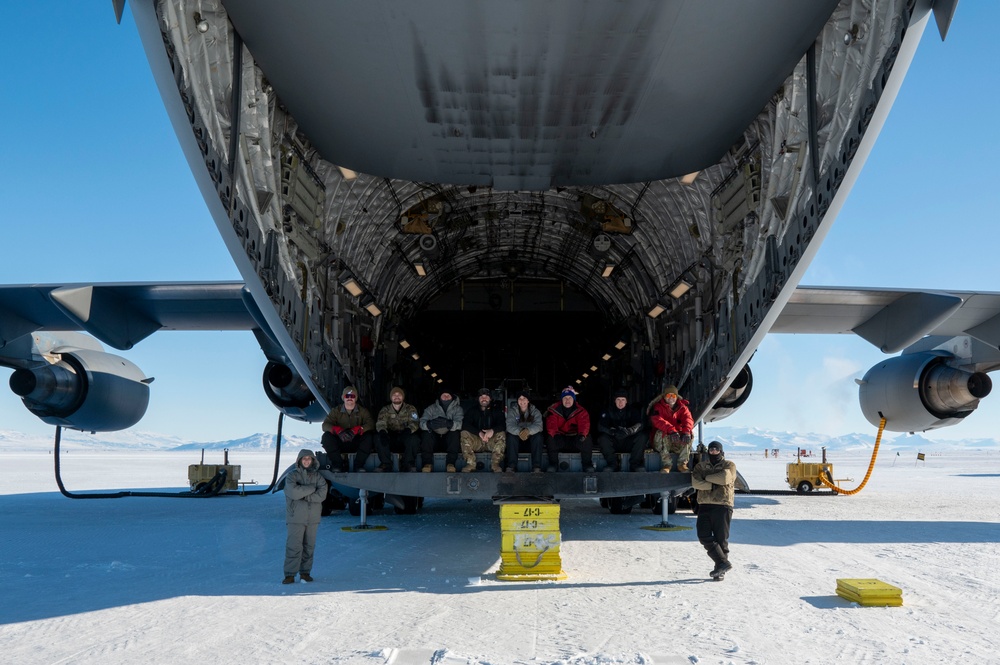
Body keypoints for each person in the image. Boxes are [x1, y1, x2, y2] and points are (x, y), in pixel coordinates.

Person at [691, 440, 737, 580]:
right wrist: (712, 485)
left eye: (716, 449)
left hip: (723, 505)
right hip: (704, 504)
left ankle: (719, 570)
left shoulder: (729, 465)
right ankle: (723, 563)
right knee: (703, 535)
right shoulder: (701, 465)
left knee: (721, 539)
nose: (713, 452)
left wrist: (706, 478)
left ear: (721, 451)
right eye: (711, 450)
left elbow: (725, 478)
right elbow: (695, 482)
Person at [282, 448, 327, 584]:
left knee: (309, 547)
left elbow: (322, 494)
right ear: (299, 460)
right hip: (296, 517)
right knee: (294, 546)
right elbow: (293, 492)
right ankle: (290, 574)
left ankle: (305, 573)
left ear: (313, 460)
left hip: (312, 518)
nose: (306, 461)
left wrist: (304, 494)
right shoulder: (292, 476)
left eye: (309, 458)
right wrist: (312, 489)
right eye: (304, 458)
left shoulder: (318, 477)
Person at [320, 386, 376, 472]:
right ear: (343, 398)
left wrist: (360, 429)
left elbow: (371, 424)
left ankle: (359, 465)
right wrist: (337, 430)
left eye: (352, 396)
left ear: (356, 398)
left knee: (368, 437)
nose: (350, 398)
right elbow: (325, 425)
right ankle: (337, 464)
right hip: (340, 441)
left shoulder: (363, 411)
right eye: (347, 396)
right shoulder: (336, 411)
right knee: (326, 437)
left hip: (356, 441)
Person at [596, 388, 647, 471]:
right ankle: (612, 464)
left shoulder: (633, 411)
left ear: (626, 401)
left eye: (623, 400)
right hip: (614, 441)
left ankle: (635, 465)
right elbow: (601, 426)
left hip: (628, 441)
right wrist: (612, 431)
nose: (620, 402)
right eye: (618, 399)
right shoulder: (608, 411)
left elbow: (639, 425)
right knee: (602, 438)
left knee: (642, 437)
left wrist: (628, 431)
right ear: (615, 401)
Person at [544, 386, 593, 472]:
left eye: (570, 398)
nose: (567, 400)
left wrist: (581, 435)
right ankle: (553, 464)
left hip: (575, 440)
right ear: (561, 400)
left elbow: (584, 425)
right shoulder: (553, 410)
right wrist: (556, 435)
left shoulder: (581, 411)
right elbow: (551, 425)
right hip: (560, 439)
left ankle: (587, 465)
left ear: (574, 399)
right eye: (565, 398)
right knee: (550, 439)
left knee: (587, 438)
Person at [374, 386, 421, 472]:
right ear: (391, 397)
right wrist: (382, 432)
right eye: (394, 395)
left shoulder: (410, 408)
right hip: (391, 437)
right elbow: (381, 422)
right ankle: (386, 463)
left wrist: (408, 430)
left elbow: (415, 422)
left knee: (414, 439)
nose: (396, 396)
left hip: (405, 436)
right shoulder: (385, 410)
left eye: (399, 394)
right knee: (378, 437)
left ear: (403, 397)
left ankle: (408, 463)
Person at [649, 384, 694, 472]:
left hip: (677, 441)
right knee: (660, 432)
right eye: (668, 395)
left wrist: (686, 432)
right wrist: (671, 430)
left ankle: (682, 464)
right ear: (664, 397)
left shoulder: (683, 408)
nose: (671, 398)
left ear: (677, 397)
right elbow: (657, 420)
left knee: (690, 434)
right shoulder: (658, 407)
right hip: (662, 443)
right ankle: (667, 465)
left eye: (673, 395)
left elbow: (688, 419)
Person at [460, 388, 507, 472]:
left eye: (486, 397)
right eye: (481, 397)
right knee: (464, 433)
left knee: (501, 434)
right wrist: (479, 433)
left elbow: (503, 425)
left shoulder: (496, 410)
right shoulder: (472, 410)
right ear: (478, 399)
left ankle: (495, 464)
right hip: (477, 442)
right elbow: (465, 425)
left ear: (490, 399)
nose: (484, 399)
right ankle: (470, 464)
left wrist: (492, 431)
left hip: (491, 442)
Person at [418, 389, 464, 472]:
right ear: (440, 397)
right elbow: (421, 423)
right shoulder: (431, 408)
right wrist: (429, 424)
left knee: (455, 434)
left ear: (452, 397)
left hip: (448, 441)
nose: (446, 398)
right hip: (434, 441)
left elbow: (460, 424)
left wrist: (449, 424)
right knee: (426, 434)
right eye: (443, 395)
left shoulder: (458, 409)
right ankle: (427, 464)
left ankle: (451, 464)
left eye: (448, 395)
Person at [505, 390, 544, 472]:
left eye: (524, 398)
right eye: (520, 398)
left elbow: (539, 426)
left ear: (528, 400)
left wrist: (528, 431)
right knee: (510, 436)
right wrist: (520, 432)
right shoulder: (513, 411)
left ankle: (536, 467)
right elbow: (509, 426)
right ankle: (511, 466)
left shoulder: (535, 411)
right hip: (517, 443)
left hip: (531, 442)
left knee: (539, 436)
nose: (522, 401)